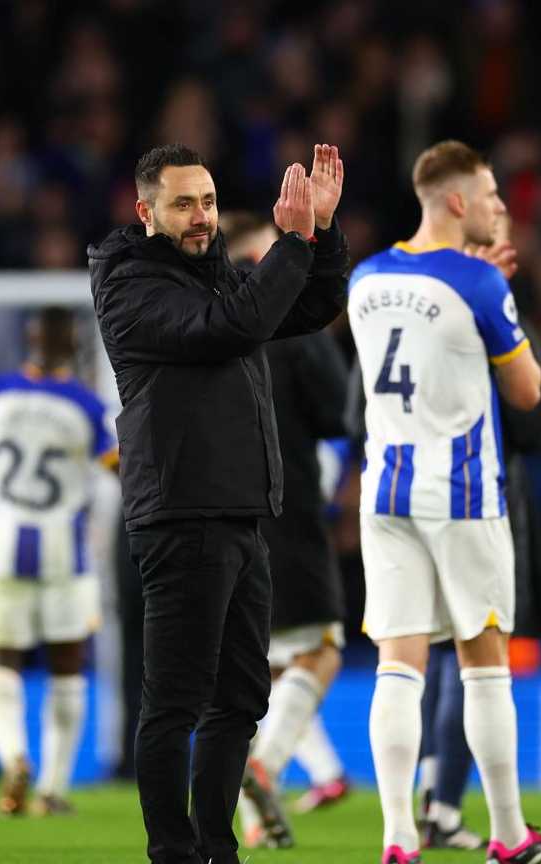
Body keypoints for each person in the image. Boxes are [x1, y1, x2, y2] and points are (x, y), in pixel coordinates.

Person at [89, 142, 347, 864]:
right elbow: (233, 326)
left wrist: (319, 235)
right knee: (173, 701)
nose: (201, 217)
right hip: (180, 513)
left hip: (240, 511)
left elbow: (314, 304)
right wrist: (291, 242)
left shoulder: (217, 280)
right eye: (183, 204)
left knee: (239, 701)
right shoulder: (131, 284)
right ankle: (174, 851)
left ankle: (216, 847)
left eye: (207, 200)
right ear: (146, 213)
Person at [349, 140, 541, 864]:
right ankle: (508, 835)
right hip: (464, 492)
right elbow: (530, 393)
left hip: (385, 492)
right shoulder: (477, 285)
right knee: (484, 665)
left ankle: (397, 838)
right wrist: (497, 304)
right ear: (455, 201)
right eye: (492, 196)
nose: (501, 208)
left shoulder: (366, 278)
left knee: (398, 666)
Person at [0, 307, 118, 817]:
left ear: (29, 339)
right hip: (66, 555)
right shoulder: (87, 406)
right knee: (68, 668)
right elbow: (121, 466)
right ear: (75, 344)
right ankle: (53, 788)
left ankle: (13, 756)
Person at [220, 211, 351, 850]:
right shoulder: (291, 320)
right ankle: (265, 766)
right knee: (322, 646)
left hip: (211, 512)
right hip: (287, 502)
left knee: (251, 667)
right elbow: (337, 410)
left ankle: (252, 825)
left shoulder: (198, 317)